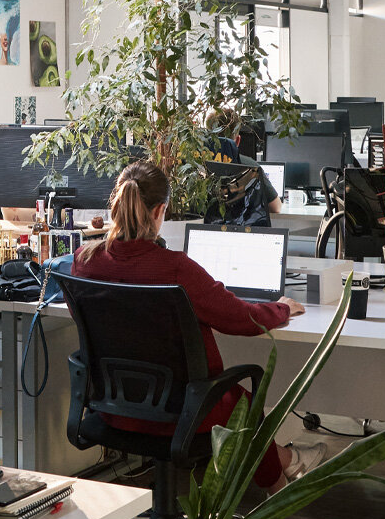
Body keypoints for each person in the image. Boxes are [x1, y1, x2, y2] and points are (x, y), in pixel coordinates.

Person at [70, 160, 325, 488]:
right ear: (160, 210)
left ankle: (288, 461)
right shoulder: (175, 268)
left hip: (112, 407)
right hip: (183, 410)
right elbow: (242, 318)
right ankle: (277, 494)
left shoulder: (84, 261)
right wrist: (281, 309)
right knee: (244, 405)